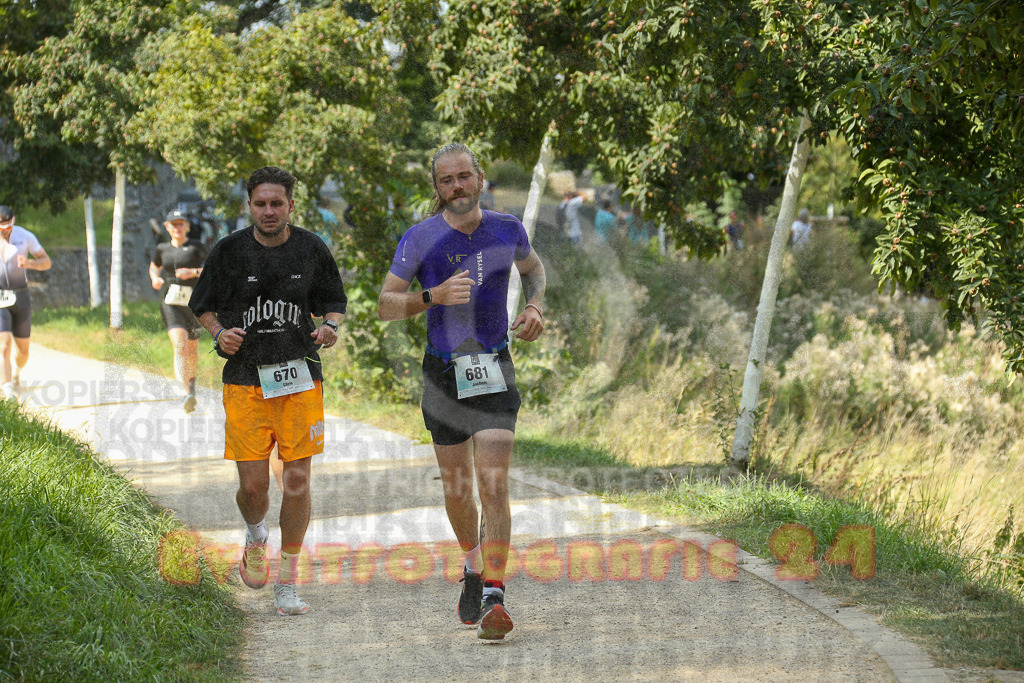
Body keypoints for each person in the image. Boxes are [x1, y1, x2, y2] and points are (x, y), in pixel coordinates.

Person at [377, 143, 546, 640]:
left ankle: (495, 591)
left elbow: (534, 270)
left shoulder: (507, 228)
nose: (457, 187)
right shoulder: (420, 238)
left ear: (479, 178)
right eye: (447, 180)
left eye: (464, 177)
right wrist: (431, 297)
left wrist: (536, 307)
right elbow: (386, 304)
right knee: (458, 489)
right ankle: (472, 565)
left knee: (493, 482)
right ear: (437, 189)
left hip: (493, 365)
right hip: (443, 373)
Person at [188, 166, 347, 616]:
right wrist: (220, 334)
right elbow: (201, 306)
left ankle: (288, 582)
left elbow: (334, 301)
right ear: (250, 206)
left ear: (291, 205)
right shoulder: (229, 251)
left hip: (300, 379)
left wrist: (330, 326)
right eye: (261, 204)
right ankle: (256, 535)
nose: (269, 211)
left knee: (296, 481)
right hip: (245, 381)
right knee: (254, 487)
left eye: (277, 203)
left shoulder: (311, 248)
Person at [150, 209, 208, 413]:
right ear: (167, 227)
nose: (177, 227)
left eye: (181, 223)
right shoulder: (162, 248)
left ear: (187, 227)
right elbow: (154, 266)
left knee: (192, 350)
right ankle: (186, 393)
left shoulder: (197, 247)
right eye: (173, 224)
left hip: (194, 303)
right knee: (180, 345)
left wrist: (192, 272)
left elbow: (211, 270)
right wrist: (155, 279)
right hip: (171, 302)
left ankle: (191, 386)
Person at [0, 205, 51, 400]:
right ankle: (7, 391)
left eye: (8, 227)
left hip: (21, 296)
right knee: (3, 345)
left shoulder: (25, 236)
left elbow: (46, 261)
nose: (5, 232)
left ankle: (16, 374)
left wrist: (29, 263)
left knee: (23, 350)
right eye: (1, 229)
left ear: (14, 221)